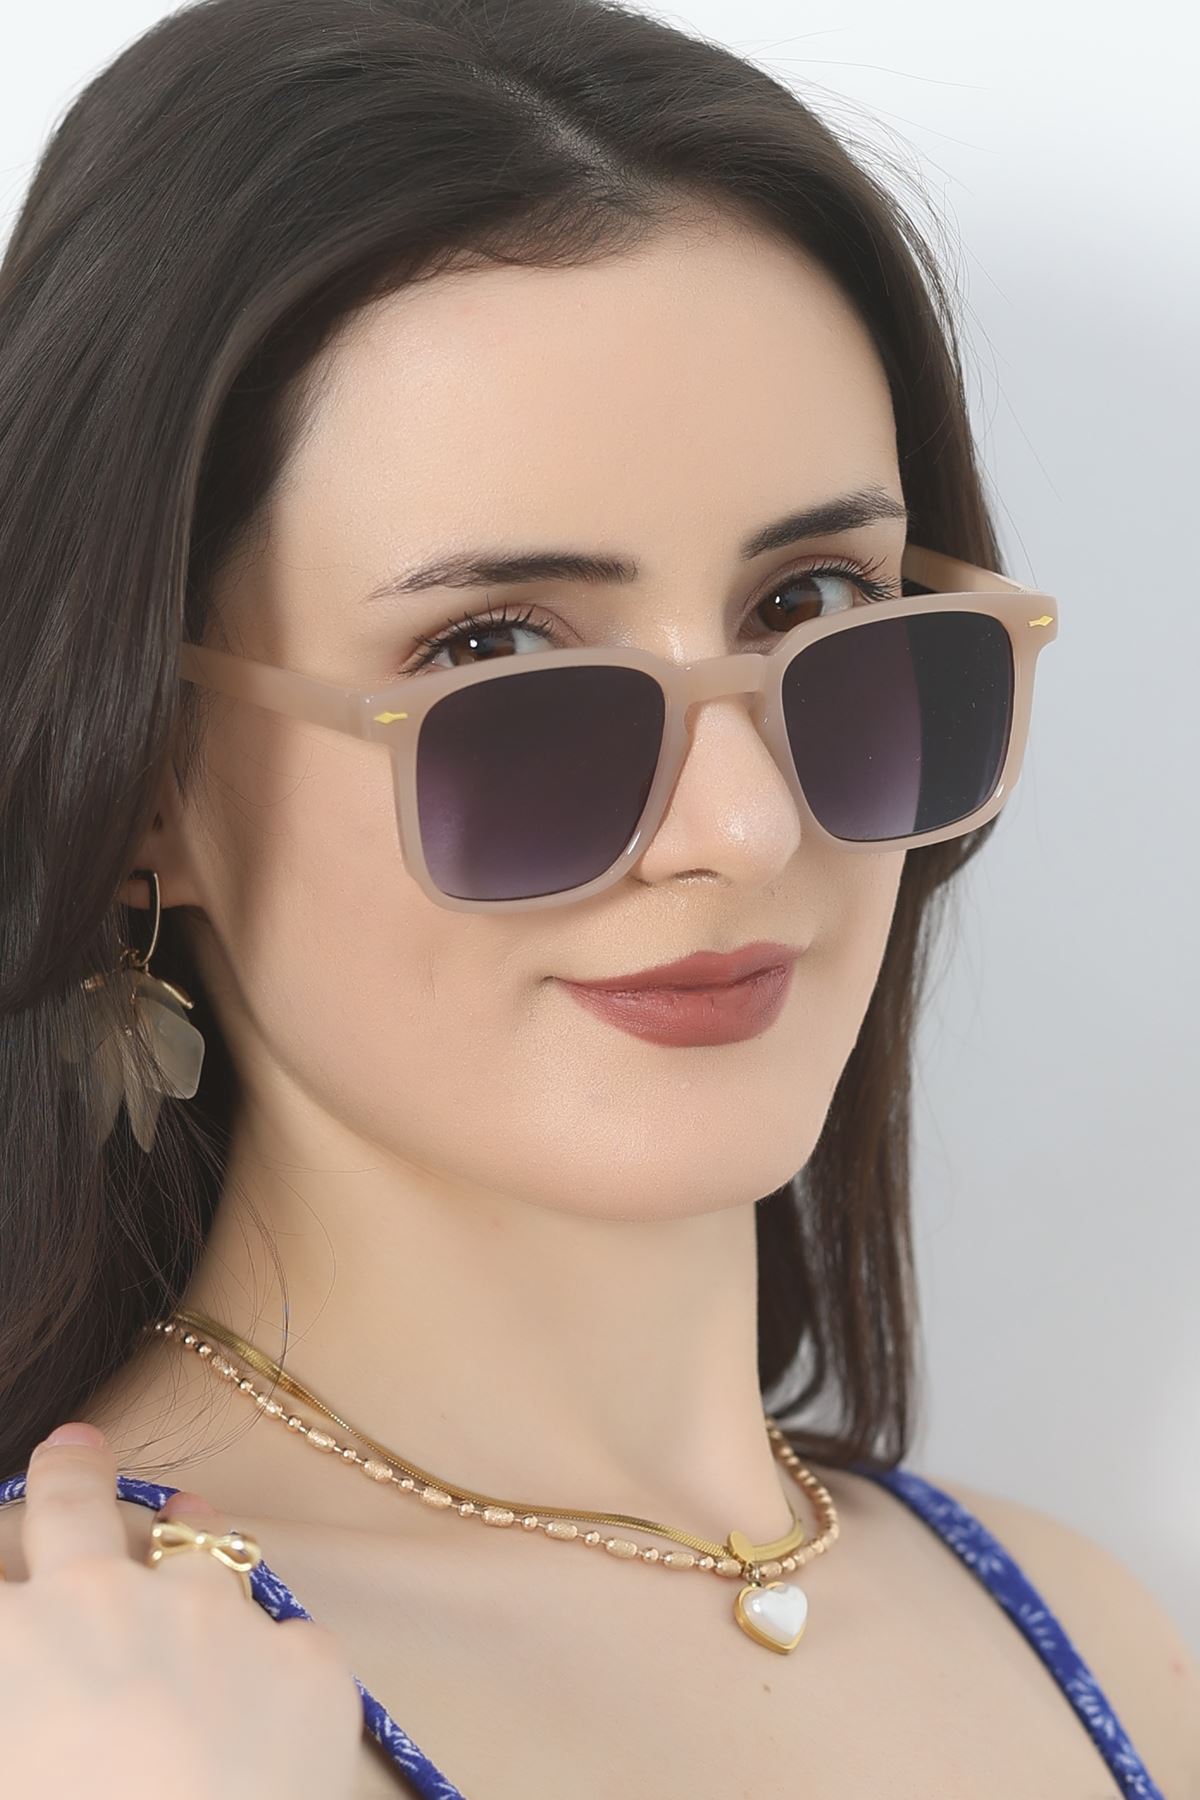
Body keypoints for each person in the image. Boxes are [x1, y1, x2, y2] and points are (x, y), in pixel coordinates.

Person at [0, 0, 1195, 1795]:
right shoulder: (72, 1702)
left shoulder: (1089, 1638)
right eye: (496, 653)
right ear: (140, 776)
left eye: (814, 606)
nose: (743, 823)